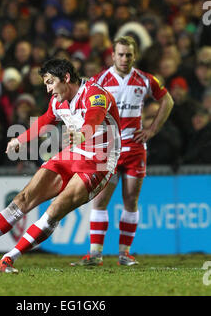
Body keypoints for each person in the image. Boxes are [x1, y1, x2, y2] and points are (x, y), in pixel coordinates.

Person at [0, 58, 121, 273]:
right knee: (22, 199)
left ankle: (9, 258)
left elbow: (94, 117)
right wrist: (19, 140)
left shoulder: (94, 94)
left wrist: (82, 133)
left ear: (67, 78)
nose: (48, 88)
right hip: (73, 153)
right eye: (46, 83)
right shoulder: (58, 101)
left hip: (100, 161)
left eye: (50, 82)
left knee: (54, 209)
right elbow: (45, 121)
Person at [70, 36, 174, 267]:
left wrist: (152, 129)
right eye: (120, 54)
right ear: (113, 55)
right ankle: (95, 254)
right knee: (99, 201)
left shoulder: (145, 80)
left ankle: (124, 255)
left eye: (128, 54)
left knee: (131, 200)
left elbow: (167, 100)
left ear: (134, 55)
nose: (124, 58)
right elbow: (82, 105)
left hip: (135, 148)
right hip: (108, 148)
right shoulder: (100, 80)